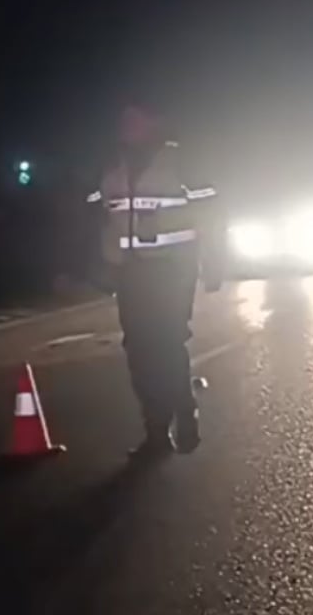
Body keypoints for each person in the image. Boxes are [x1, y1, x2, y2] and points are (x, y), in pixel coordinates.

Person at [86, 105, 225, 458]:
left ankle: (184, 410)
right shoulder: (112, 166)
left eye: (135, 119)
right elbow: (96, 214)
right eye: (124, 120)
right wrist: (100, 264)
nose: (126, 126)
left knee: (166, 344)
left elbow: (211, 214)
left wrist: (215, 262)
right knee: (138, 351)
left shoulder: (182, 162)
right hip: (129, 272)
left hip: (172, 269)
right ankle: (156, 431)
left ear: (155, 123)